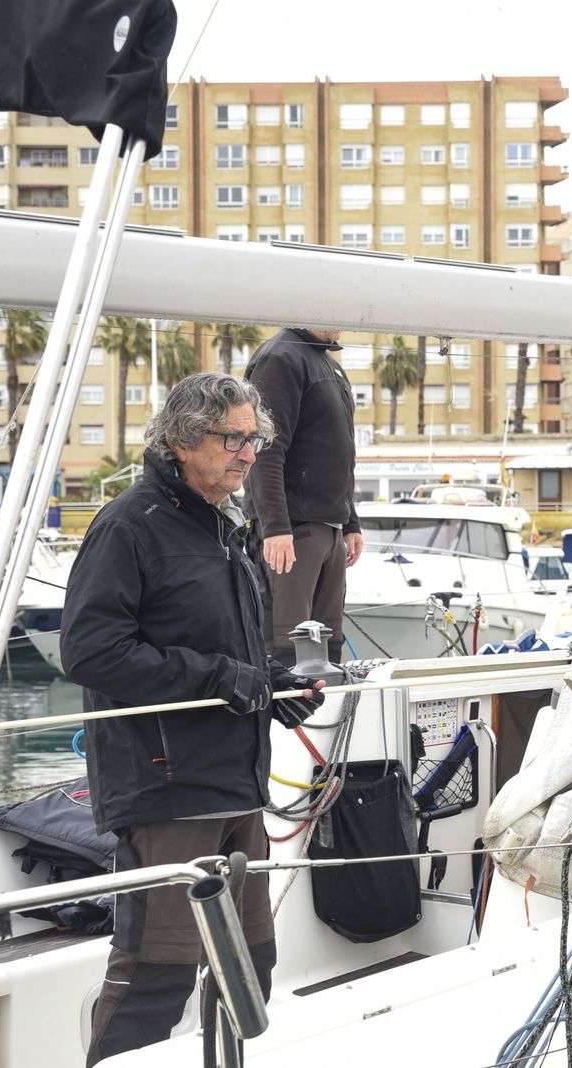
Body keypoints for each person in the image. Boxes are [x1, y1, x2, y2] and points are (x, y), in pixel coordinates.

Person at [62, 372, 326, 1066]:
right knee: (159, 972)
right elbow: (90, 650)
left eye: (253, 439)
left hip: (235, 781)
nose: (247, 454)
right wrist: (222, 679)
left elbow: (229, 651)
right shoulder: (130, 525)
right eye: (231, 439)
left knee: (251, 967)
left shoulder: (225, 524)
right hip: (166, 786)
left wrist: (274, 686)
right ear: (181, 440)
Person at [244, 326, 365, 665]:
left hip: (329, 528)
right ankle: (283, 718)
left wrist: (351, 523)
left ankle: (332, 717)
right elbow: (264, 449)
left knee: (329, 646)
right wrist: (275, 528)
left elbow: (341, 454)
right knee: (288, 649)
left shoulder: (328, 363)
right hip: (292, 530)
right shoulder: (280, 358)